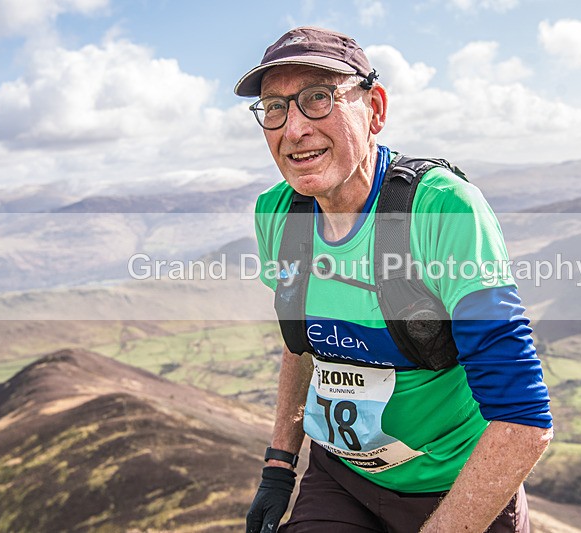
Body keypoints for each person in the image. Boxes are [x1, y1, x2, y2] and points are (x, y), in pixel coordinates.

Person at [235, 26, 553, 533]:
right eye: (274, 107)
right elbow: (302, 344)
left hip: (458, 489)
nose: (292, 129)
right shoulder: (276, 214)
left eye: (318, 98)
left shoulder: (441, 209)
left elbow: (522, 423)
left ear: (375, 109)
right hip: (340, 479)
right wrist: (279, 464)